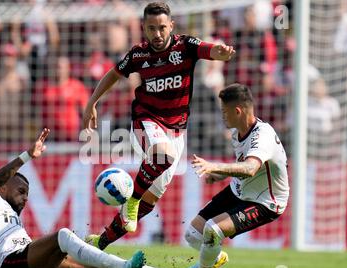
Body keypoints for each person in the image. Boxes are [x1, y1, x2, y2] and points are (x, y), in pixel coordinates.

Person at [83, 2, 235, 249]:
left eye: (162, 28)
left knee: (150, 199)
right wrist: (92, 102)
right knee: (162, 158)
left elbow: (210, 50)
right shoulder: (138, 55)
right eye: (151, 28)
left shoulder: (185, 46)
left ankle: (100, 242)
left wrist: (220, 51)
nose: (157, 34)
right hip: (145, 121)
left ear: (171, 26)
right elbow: (113, 74)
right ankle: (130, 201)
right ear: (144, 28)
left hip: (176, 132)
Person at [0, 128, 197, 268]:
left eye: (27, 194)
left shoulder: (8, 223)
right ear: (3, 187)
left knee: (100, 267)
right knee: (64, 235)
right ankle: (126, 265)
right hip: (11, 267)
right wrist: (26, 156)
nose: (25, 198)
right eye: (21, 191)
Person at [176, 83, 289, 268]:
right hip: (240, 190)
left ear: (237, 111)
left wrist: (214, 165)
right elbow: (243, 166)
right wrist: (217, 175)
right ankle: (216, 257)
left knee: (213, 229)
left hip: (266, 202)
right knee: (193, 234)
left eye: (224, 112)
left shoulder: (262, 136)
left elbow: (249, 168)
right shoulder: (238, 133)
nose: (222, 116)